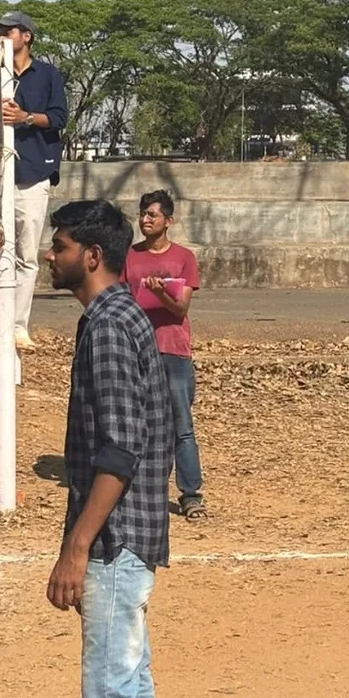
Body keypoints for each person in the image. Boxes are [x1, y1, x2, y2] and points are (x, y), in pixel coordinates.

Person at [45, 199, 172, 698]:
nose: (50, 257)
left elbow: (120, 453)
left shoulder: (109, 328)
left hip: (116, 541)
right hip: (123, 536)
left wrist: (76, 550)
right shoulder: (114, 315)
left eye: (60, 247)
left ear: (92, 256)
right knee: (129, 681)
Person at [0, 9, 67, 355]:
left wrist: (24, 117)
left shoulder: (48, 74)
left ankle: (18, 326)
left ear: (26, 35)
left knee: (27, 255)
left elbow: (58, 118)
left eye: (8, 31)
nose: (2, 36)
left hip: (34, 173)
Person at [123, 189, 206, 521]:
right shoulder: (128, 258)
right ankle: (142, 490)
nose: (145, 219)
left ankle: (191, 494)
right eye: (142, 213)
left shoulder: (184, 258)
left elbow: (181, 307)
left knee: (180, 426)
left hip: (172, 350)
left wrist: (160, 292)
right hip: (137, 350)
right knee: (138, 424)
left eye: (152, 215)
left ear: (168, 221)